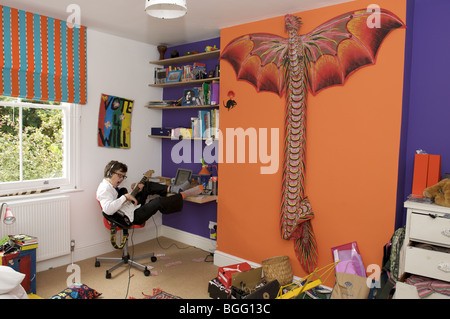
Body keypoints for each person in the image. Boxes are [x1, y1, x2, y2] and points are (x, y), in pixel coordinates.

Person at [96, 160, 203, 226]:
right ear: (109, 173)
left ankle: (175, 189)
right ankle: (183, 195)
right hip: (128, 217)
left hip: (129, 208)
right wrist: (125, 196)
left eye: (123, 176)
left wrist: (133, 191)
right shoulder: (104, 189)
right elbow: (108, 210)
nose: (122, 179)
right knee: (157, 202)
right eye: (119, 175)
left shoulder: (113, 186)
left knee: (145, 185)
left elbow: (121, 199)